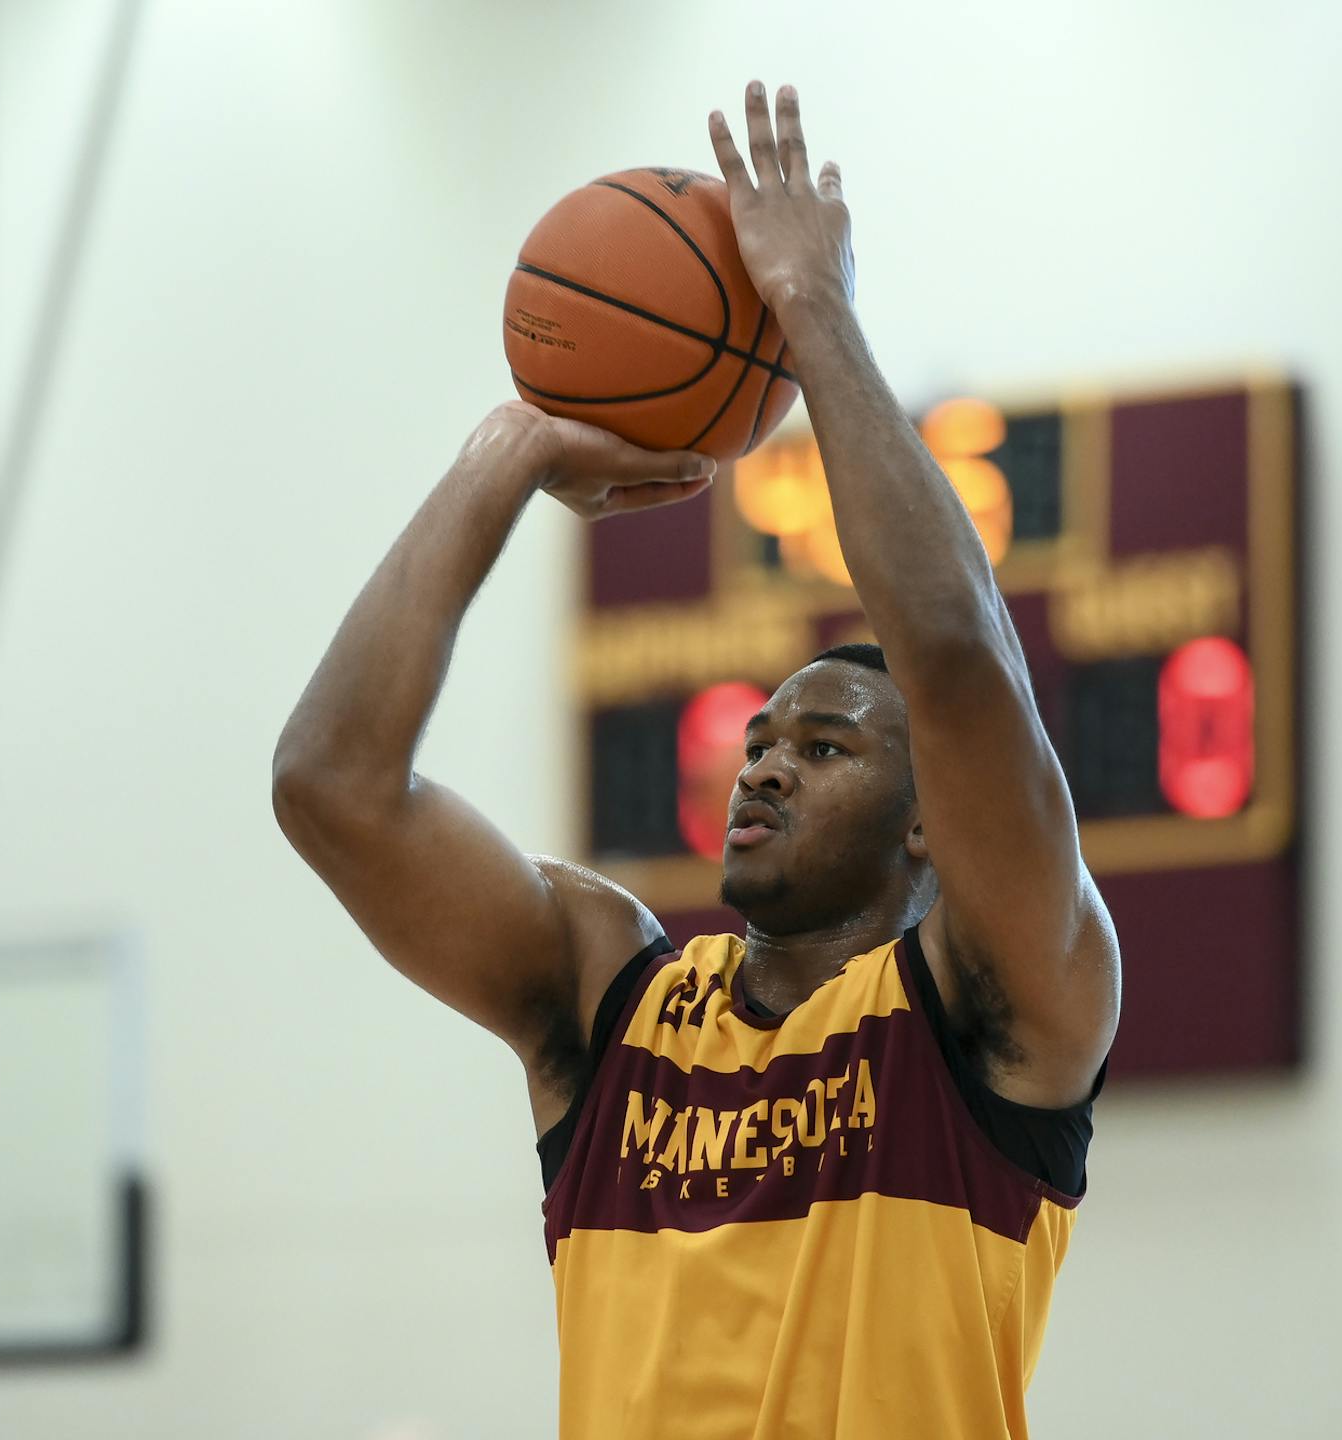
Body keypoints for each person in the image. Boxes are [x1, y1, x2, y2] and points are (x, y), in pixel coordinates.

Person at [273, 81, 1120, 1440]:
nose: (765, 770)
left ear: (931, 825)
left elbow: (961, 662)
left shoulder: (994, 1003)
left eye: (826, 748)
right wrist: (511, 450)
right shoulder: (612, 997)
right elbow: (333, 787)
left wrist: (814, 313)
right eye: (761, 742)